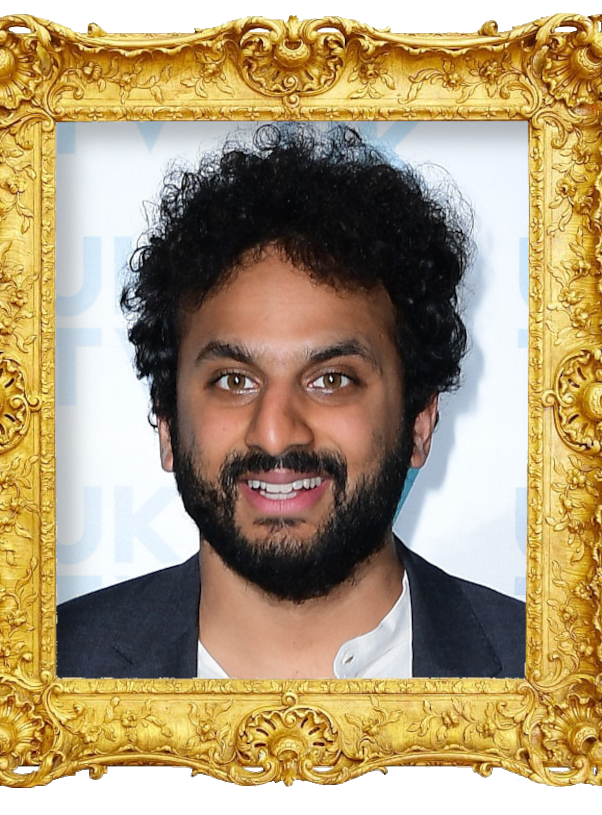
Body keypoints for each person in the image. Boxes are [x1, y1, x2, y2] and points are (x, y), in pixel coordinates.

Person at [57, 124, 525, 680]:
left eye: (332, 380)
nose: (276, 433)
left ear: (420, 420)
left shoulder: (554, 679)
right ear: (166, 423)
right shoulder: (40, 675)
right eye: (234, 381)